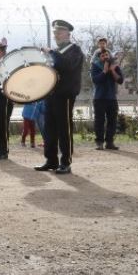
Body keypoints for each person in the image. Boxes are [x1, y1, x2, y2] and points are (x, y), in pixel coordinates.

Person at [35, 20, 84, 174]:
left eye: (59, 32)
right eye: (55, 32)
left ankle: (66, 162)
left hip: (65, 95)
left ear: (68, 34)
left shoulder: (75, 51)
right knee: (49, 128)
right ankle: (51, 160)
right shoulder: (56, 52)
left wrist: (51, 52)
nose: (56, 35)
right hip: (52, 94)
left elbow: (67, 66)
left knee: (64, 129)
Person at [90, 49, 124, 150]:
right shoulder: (95, 67)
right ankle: (99, 142)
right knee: (99, 121)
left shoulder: (115, 66)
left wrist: (112, 70)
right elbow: (95, 80)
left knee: (112, 121)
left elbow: (120, 80)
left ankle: (110, 142)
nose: (105, 57)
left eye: (107, 55)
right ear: (99, 57)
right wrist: (104, 71)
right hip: (99, 98)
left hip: (111, 98)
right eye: (103, 56)